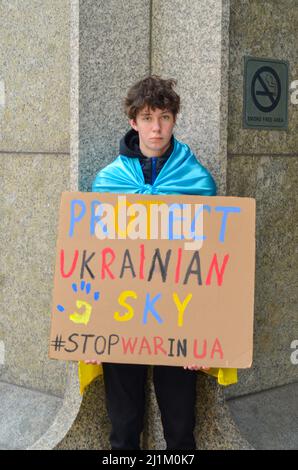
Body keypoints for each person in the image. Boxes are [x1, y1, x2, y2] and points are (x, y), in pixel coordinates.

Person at [81, 75, 237, 450]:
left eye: (164, 117)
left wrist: (202, 336)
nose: (156, 127)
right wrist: (91, 329)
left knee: (181, 429)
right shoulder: (108, 181)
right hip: (121, 320)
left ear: (174, 120)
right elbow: (94, 262)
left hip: (178, 322)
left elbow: (208, 266)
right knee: (123, 427)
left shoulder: (197, 181)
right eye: (148, 117)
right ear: (133, 122)